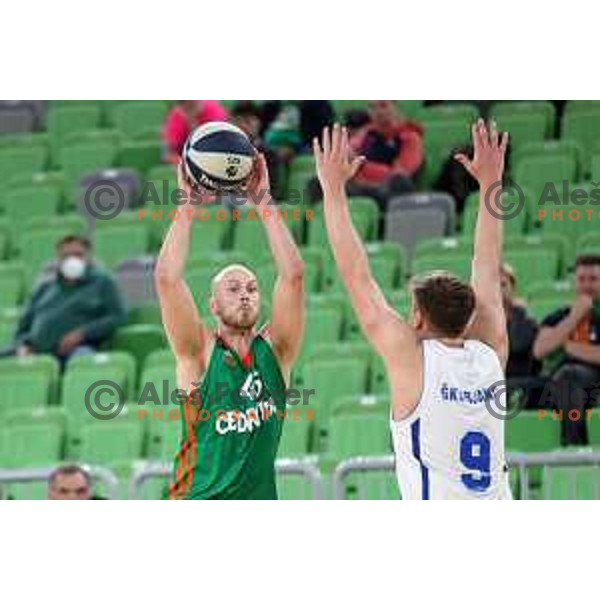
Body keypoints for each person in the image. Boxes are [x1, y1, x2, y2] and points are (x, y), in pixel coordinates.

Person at [314, 121, 512, 500]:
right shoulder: (491, 352)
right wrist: (491, 184)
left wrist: (333, 190)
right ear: (468, 317)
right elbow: (487, 263)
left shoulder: (414, 361)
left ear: (419, 318)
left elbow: (357, 275)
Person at [156, 155, 305, 500]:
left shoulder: (276, 351)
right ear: (213, 306)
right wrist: (187, 207)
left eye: (252, 288)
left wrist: (264, 203)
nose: (245, 296)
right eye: (233, 289)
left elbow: (294, 277)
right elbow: (167, 279)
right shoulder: (199, 353)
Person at [1, 235, 126, 367]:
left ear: (88, 256)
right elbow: (23, 328)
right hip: (36, 351)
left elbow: (117, 317)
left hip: (77, 349)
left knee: (83, 362)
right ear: (58, 259)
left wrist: (82, 334)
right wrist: (24, 345)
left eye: (78, 255)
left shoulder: (103, 282)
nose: (72, 260)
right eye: (66, 256)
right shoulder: (44, 288)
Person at [533, 254, 600, 445]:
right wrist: (575, 316)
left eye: (593, 279)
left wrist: (566, 346)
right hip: (561, 384)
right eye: (581, 279)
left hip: (593, 381)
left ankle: (574, 446)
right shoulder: (560, 316)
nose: (587, 285)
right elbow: (540, 349)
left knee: (570, 376)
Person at [347, 100, 424, 210]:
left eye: (383, 106)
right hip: (359, 187)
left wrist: (362, 166)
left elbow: (398, 174)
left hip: (389, 192)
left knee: (398, 182)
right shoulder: (365, 133)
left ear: (395, 107)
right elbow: (349, 151)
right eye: (372, 107)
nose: (378, 112)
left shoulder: (411, 137)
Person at [162, 100, 229, 163]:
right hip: (186, 162)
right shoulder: (176, 117)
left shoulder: (214, 111)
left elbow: (224, 143)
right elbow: (168, 154)